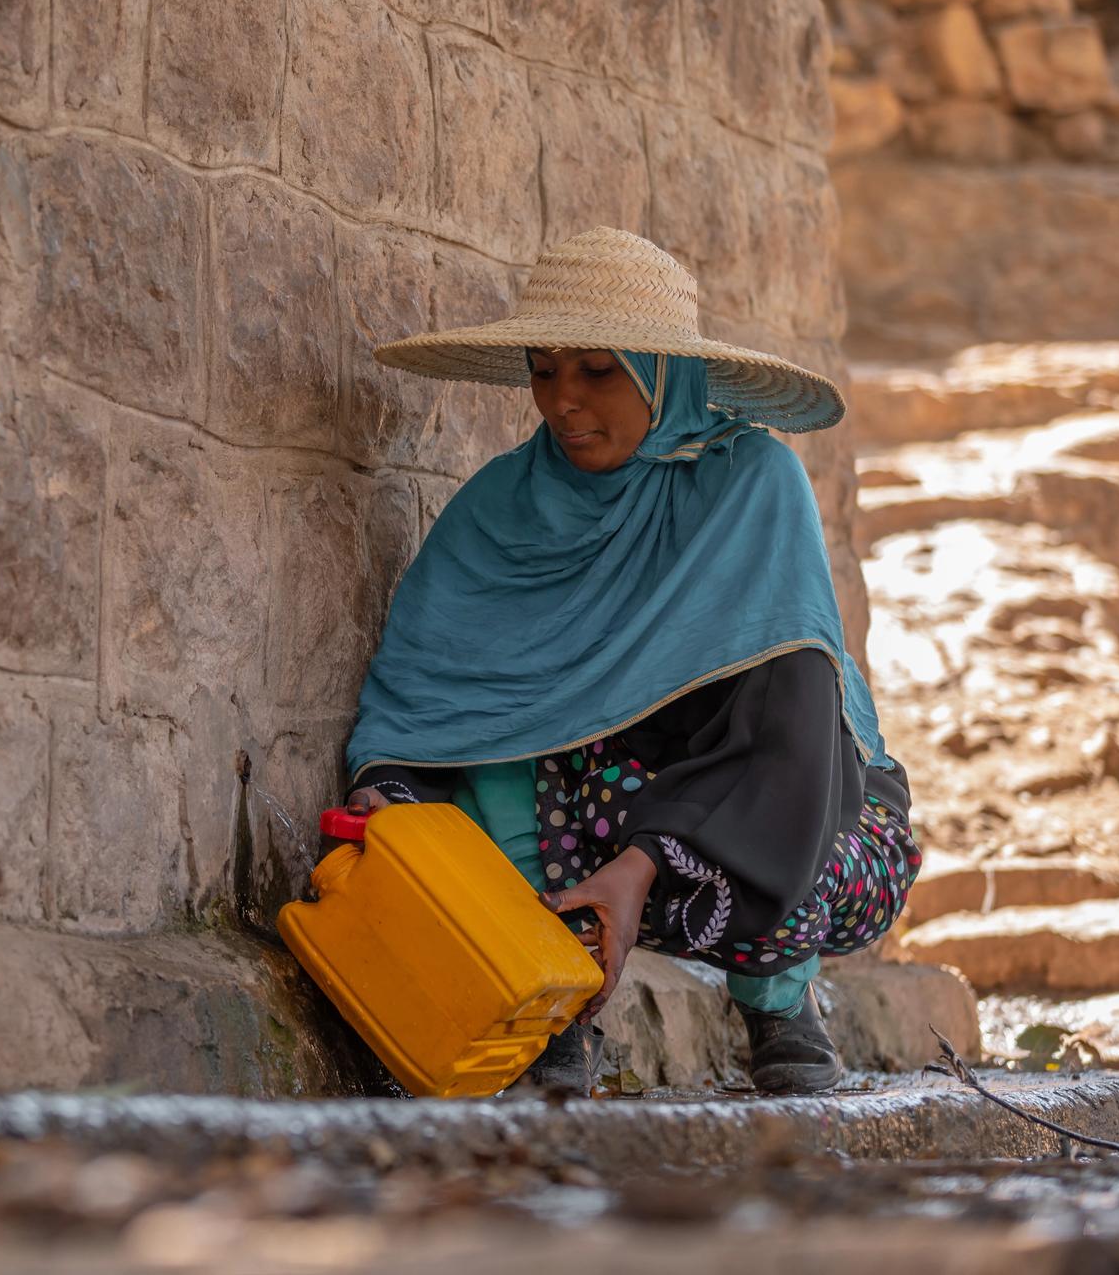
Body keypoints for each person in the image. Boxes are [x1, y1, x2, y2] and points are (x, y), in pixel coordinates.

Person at [341, 228, 919, 1096]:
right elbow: (431, 699)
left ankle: (777, 1001)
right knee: (488, 768)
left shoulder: (752, 484)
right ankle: (550, 998)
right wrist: (388, 788)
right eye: (545, 370)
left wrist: (645, 865)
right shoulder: (499, 511)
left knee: (796, 767)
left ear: (664, 374)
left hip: (785, 817)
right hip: (592, 813)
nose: (564, 402)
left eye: (598, 371)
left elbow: (794, 722)